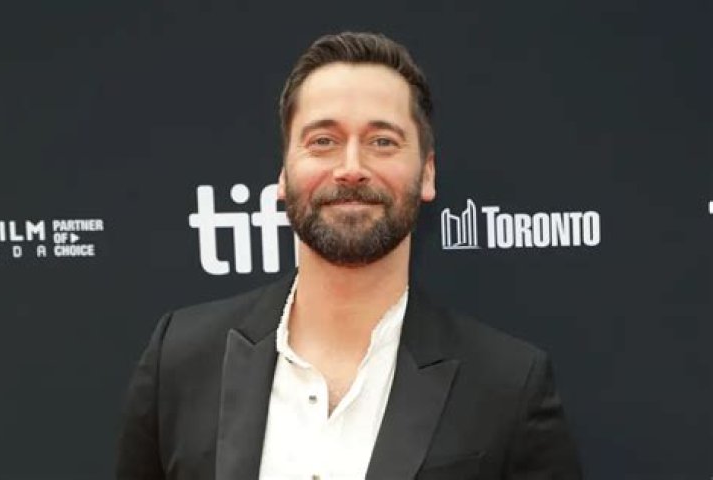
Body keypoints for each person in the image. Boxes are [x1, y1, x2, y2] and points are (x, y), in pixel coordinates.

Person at [117, 31, 582, 480]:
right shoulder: (181, 359)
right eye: (323, 141)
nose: (351, 168)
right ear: (284, 174)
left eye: (382, 142)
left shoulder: (507, 386)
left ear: (427, 174)